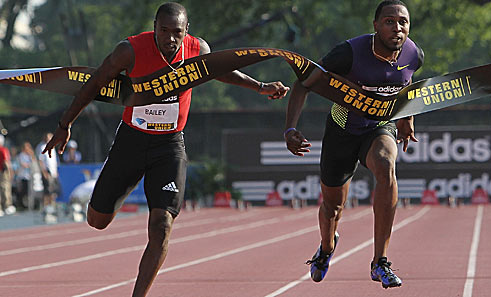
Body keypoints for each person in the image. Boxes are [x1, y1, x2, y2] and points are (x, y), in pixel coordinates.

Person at [42, 2, 289, 296]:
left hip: (169, 145)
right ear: (154, 27)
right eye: (164, 31)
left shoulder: (198, 50)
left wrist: (260, 86)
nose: (170, 39)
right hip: (131, 140)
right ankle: (114, 195)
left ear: (187, 31)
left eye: (177, 33)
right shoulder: (130, 50)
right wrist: (65, 123)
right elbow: (95, 82)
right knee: (97, 221)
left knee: (161, 225)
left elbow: (220, 72)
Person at [284, 0, 423, 289]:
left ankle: (380, 261)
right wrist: (291, 128)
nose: (397, 28)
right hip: (342, 130)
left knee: (386, 167)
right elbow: (303, 82)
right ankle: (325, 247)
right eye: (389, 21)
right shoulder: (349, 53)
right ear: (375, 26)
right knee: (333, 207)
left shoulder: (414, 54)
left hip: (378, 128)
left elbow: (406, 85)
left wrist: (407, 116)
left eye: (403, 22)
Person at [37, 133, 61, 223]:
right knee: (47, 191)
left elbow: (54, 161)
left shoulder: (53, 147)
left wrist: (56, 171)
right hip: (47, 172)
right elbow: (41, 160)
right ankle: (46, 208)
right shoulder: (42, 147)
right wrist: (44, 172)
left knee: (53, 191)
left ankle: (52, 207)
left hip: (53, 172)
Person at [0, 134, 16, 216]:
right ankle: (7, 206)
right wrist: (10, 172)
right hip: (3, 172)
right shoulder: (3, 149)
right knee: (5, 188)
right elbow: (6, 162)